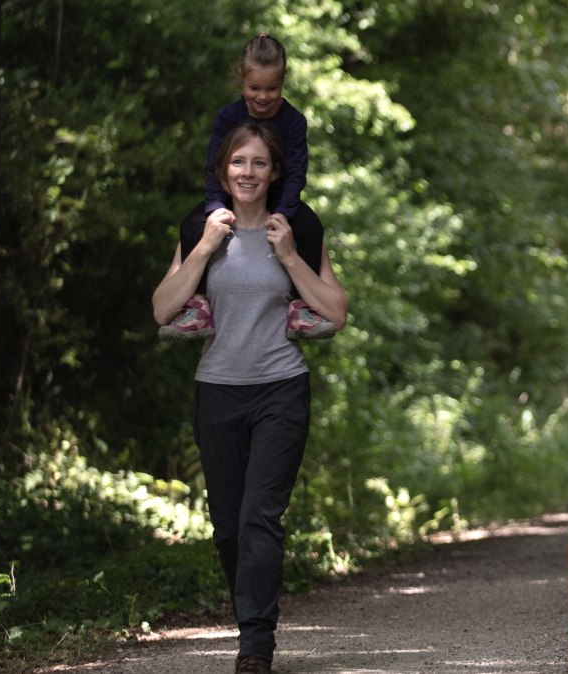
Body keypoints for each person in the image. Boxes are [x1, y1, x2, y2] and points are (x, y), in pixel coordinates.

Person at [151, 120, 347, 674]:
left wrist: (288, 257)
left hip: (280, 389)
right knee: (230, 527)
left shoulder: (296, 230)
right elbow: (163, 309)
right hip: (217, 392)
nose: (248, 173)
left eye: (259, 163)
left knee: (262, 516)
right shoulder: (201, 228)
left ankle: (256, 645)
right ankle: (250, 620)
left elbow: (336, 311)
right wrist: (205, 248)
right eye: (239, 162)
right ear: (224, 170)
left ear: (275, 172)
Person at [161, 32, 336, 341]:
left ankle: (300, 306)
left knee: (310, 227)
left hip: (281, 199)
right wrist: (215, 207)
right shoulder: (228, 117)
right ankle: (198, 305)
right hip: (228, 197)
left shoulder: (293, 121)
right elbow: (214, 165)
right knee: (192, 226)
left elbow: (296, 173)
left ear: (283, 83)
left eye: (273, 88)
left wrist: (283, 213)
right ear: (241, 80)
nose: (263, 96)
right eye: (254, 88)